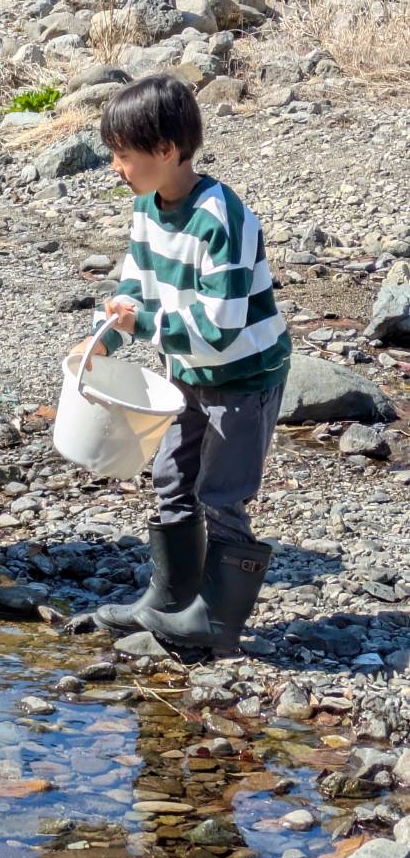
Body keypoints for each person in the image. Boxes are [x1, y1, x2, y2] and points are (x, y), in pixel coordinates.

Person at [69, 74, 290, 654]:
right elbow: (135, 286)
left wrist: (141, 326)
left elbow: (219, 330)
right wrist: (106, 339)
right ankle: (170, 600)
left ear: (166, 150)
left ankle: (215, 622)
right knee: (171, 476)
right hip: (187, 371)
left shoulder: (221, 218)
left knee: (221, 491)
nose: (116, 168)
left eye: (123, 155)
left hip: (243, 375)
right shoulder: (147, 208)